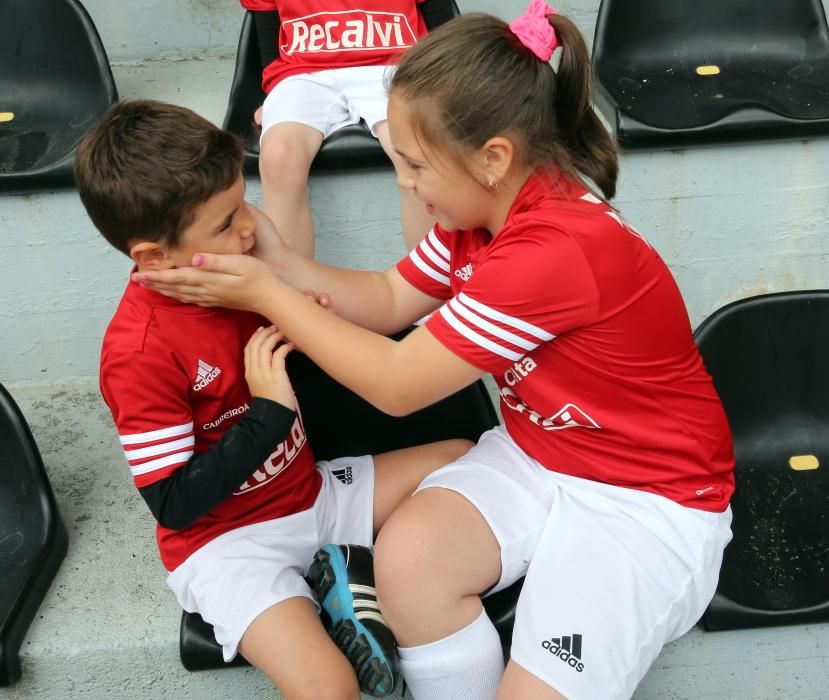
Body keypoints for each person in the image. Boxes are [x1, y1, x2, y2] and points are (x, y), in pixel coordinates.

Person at [134, 3, 736, 698]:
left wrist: (268, 295)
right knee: (410, 561)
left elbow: (397, 385)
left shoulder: (557, 250)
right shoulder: (476, 219)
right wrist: (277, 262)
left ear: (492, 158)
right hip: (539, 454)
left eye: (415, 164)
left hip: (644, 497)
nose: (403, 181)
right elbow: (387, 297)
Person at [74, 99, 472, 700]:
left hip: (311, 495)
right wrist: (268, 416)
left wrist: (302, 313)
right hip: (231, 545)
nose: (246, 228)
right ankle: (351, 587)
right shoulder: (140, 351)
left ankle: (349, 574)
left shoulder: (246, 277)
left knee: (462, 459)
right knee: (328, 686)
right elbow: (174, 504)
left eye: (243, 203)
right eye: (225, 221)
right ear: (155, 257)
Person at [240, 0, 455, 258]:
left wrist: (447, 83)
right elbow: (268, 33)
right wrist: (275, 92)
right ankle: (293, 293)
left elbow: (442, 25)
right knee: (279, 156)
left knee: (417, 151)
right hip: (303, 71)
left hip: (395, 64)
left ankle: (435, 289)